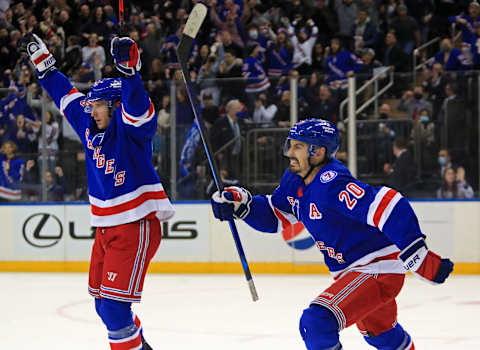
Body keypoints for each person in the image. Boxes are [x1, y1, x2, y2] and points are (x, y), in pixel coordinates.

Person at [211, 119, 453, 350]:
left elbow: (389, 204)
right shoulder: (294, 179)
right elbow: (276, 216)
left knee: (316, 323)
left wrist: (418, 256)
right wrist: (243, 206)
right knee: (384, 336)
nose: (289, 152)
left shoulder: (332, 182)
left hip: (375, 268)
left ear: (318, 152)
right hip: (353, 271)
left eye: (298, 146)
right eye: (290, 144)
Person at [22, 33, 175, 349]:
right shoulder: (89, 123)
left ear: (115, 107)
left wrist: (128, 73)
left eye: (100, 106)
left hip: (136, 224)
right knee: (102, 305)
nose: (92, 111)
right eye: (91, 105)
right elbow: (64, 93)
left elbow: (138, 109)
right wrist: (44, 65)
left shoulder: (132, 129)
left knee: (116, 308)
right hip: (106, 228)